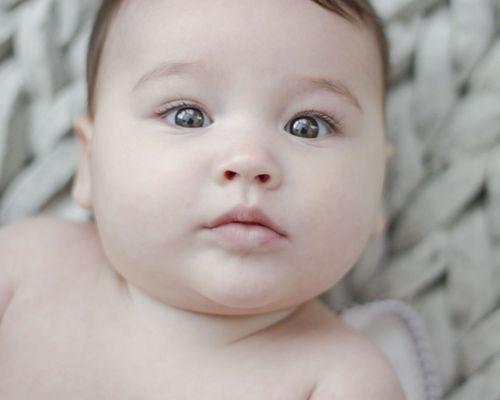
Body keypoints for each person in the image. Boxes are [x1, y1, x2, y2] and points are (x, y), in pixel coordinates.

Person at [0, 0, 404, 398]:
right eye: (187, 115)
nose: (248, 160)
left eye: (308, 126)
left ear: (379, 187)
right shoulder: (24, 268)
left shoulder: (342, 381)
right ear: (89, 163)